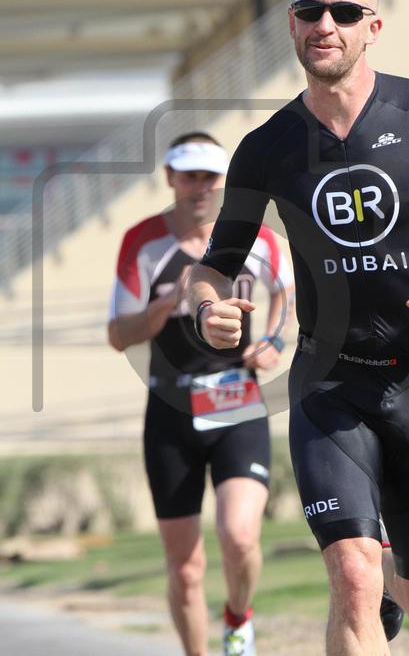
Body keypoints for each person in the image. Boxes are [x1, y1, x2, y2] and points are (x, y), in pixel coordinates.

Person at [187, 0, 409, 655]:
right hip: (328, 384)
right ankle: (370, 581)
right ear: (292, 26)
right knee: (352, 574)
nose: (325, 25)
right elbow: (213, 267)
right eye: (309, 12)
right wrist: (208, 308)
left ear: (374, 27)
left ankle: (395, 579)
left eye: (343, 12)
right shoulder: (266, 148)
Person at [108, 132, 294, 656]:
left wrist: (274, 341)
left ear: (222, 181)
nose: (200, 188)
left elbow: (286, 292)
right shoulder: (143, 242)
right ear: (170, 178)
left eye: (210, 177)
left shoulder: (253, 236)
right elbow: (118, 334)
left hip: (236, 402)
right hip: (170, 409)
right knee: (186, 568)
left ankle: (238, 616)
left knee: (240, 536)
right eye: (189, 176)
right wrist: (164, 307)